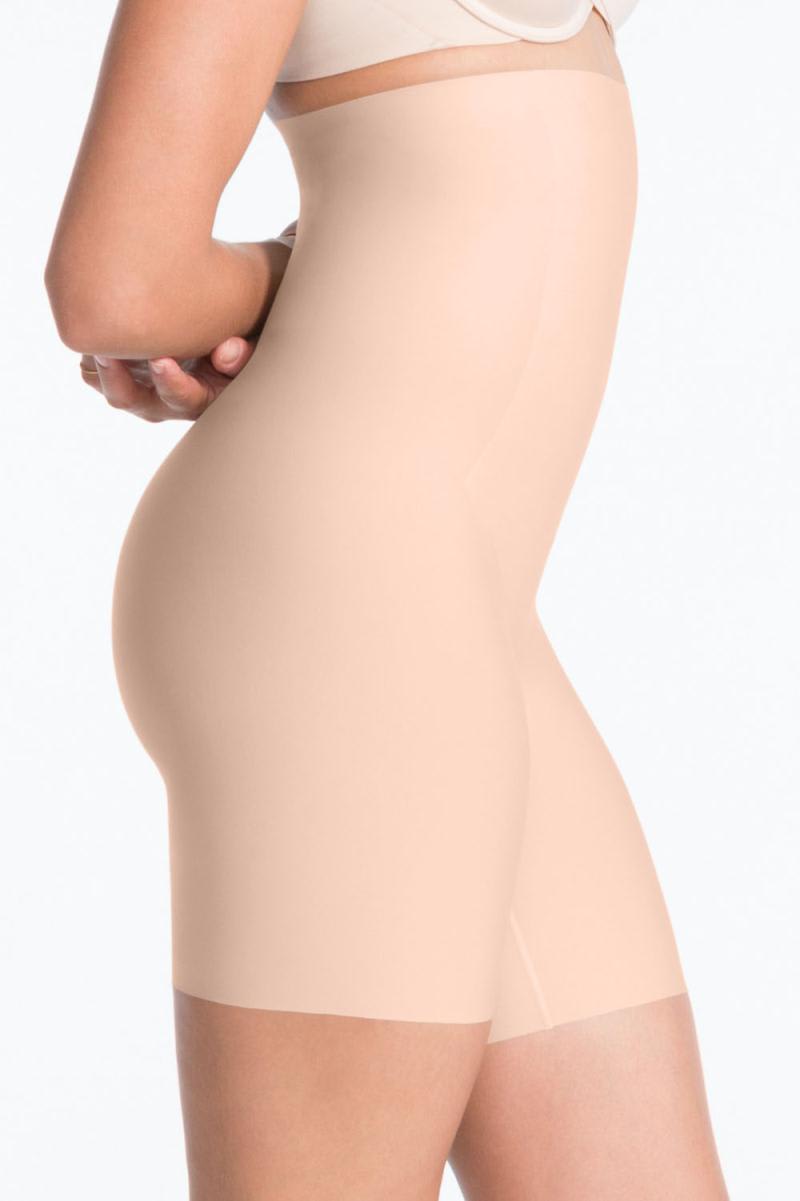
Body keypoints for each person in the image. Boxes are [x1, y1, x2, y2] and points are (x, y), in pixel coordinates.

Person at [45, 1, 729, 1196]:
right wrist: (290, 282)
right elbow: (117, 278)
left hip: (466, 611)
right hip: (331, 598)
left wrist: (299, 281)